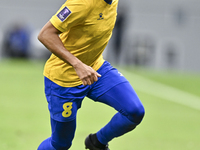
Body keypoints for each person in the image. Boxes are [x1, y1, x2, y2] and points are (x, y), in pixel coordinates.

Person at [37, 0, 145, 149]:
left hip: (96, 69)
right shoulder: (81, 3)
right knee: (61, 144)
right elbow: (45, 34)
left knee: (135, 111)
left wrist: (85, 65)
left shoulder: (113, 2)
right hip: (63, 80)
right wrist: (77, 65)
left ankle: (97, 143)